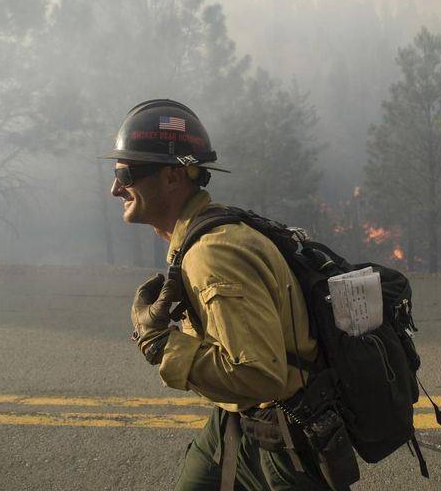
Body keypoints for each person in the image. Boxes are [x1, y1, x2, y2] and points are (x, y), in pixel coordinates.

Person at [104, 99, 332, 490]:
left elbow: (260, 376)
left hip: (280, 441)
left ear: (173, 178)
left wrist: (161, 345)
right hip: (233, 422)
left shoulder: (213, 253)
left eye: (125, 173)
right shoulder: (198, 233)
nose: (115, 188)